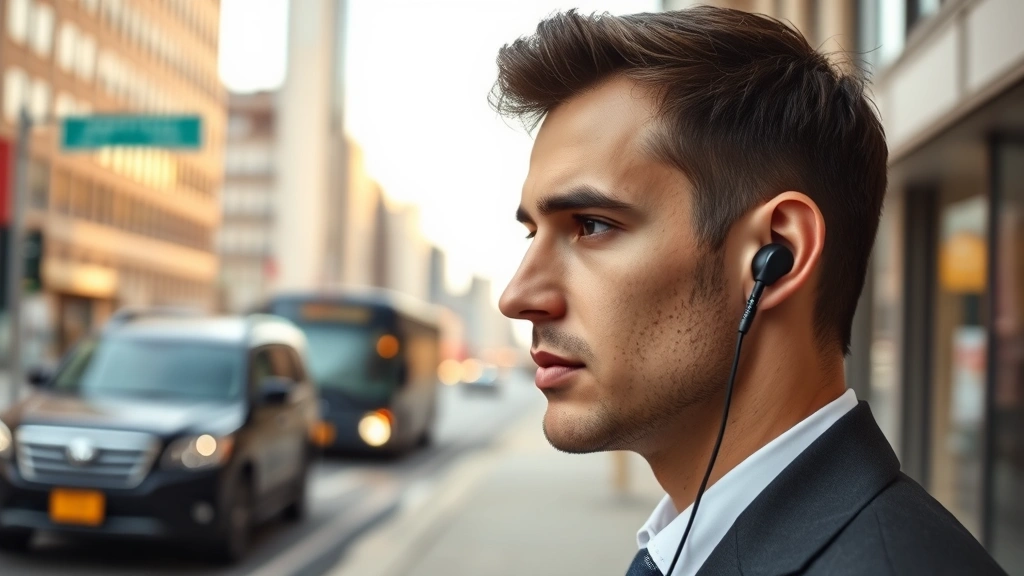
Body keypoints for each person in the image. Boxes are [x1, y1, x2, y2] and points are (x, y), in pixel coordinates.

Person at [491, 5, 1008, 576]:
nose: (517, 296)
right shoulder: (689, 542)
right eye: (533, 233)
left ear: (776, 256)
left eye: (590, 225)